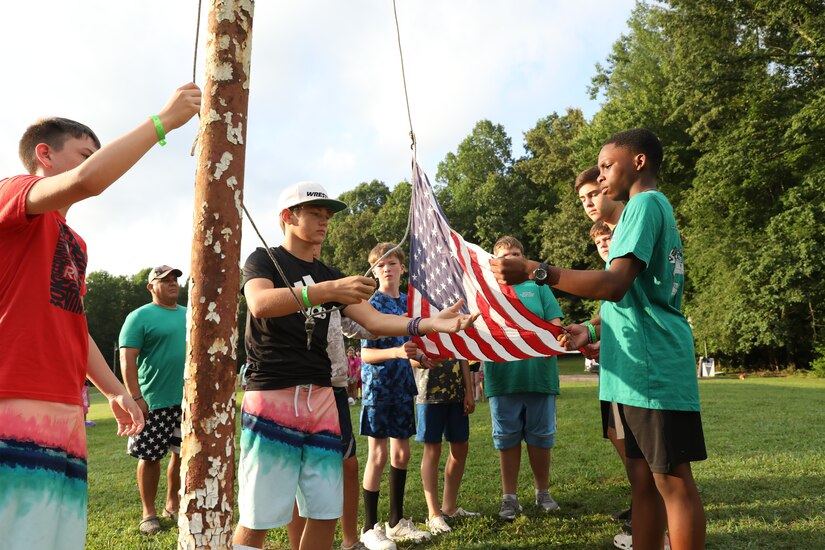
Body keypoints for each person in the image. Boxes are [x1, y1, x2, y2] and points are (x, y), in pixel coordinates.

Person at [0, 83, 199, 549]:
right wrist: (163, 122)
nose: (92, 163)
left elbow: (73, 325)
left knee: (55, 534)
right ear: (44, 155)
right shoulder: (14, 191)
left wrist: (114, 390)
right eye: (84, 153)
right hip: (14, 392)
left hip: (65, 403)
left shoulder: (74, 241)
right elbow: (89, 180)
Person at [491, 128, 706, 550]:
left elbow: (615, 284)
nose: (601, 176)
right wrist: (588, 330)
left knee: (672, 481)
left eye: (608, 165)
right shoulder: (637, 213)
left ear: (639, 162)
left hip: (652, 365)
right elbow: (625, 299)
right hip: (631, 370)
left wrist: (540, 270)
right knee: (644, 482)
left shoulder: (644, 204)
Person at [233, 182, 477, 550]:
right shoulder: (264, 259)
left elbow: (376, 321)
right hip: (272, 394)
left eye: (327, 216)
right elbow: (261, 303)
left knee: (326, 511)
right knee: (260, 515)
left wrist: (427, 324)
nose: (324, 222)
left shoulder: (328, 273)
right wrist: (326, 291)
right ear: (287, 217)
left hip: (324, 399)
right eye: (315, 213)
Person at [483, 235, 564, 521]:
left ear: (525, 258)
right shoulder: (486, 291)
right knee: (506, 439)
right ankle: (510, 497)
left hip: (539, 375)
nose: (512, 260)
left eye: (517, 254)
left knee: (541, 438)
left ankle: (543, 492)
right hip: (502, 378)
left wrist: (550, 342)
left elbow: (556, 322)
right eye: (505, 257)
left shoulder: (538, 287)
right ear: (495, 263)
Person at [358, 242, 432, 549]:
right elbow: (364, 355)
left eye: (393, 263)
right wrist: (398, 352)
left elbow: (410, 353)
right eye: (381, 264)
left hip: (403, 386)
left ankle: (396, 522)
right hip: (378, 389)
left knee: (401, 454)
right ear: (374, 272)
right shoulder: (369, 304)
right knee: (377, 456)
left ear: (402, 268)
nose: (387, 268)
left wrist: (422, 359)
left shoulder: (411, 305)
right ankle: (369, 527)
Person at [578, 167, 634, 528]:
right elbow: (608, 315)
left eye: (593, 195)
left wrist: (540, 271)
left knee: (635, 442)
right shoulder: (609, 281)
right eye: (598, 242)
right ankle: (640, 494)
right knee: (616, 433)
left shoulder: (627, 259)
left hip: (635, 371)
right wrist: (590, 333)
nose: (588, 204)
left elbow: (630, 308)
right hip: (614, 371)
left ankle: (648, 503)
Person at [119, 265, 187, 536]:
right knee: (150, 457)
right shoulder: (139, 317)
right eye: (165, 280)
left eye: (175, 280)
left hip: (186, 401)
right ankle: (149, 513)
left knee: (182, 454)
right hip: (153, 401)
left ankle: (173, 503)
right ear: (151, 287)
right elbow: (127, 359)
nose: (172, 283)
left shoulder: (190, 313)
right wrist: (136, 398)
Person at [410, 349, 478, 535]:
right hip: (428, 394)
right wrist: (424, 360)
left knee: (460, 446)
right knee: (433, 450)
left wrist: (469, 392)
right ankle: (434, 514)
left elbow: (463, 355)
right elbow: (409, 358)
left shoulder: (458, 319)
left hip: (457, 393)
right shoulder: (418, 321)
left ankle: (449, 508)